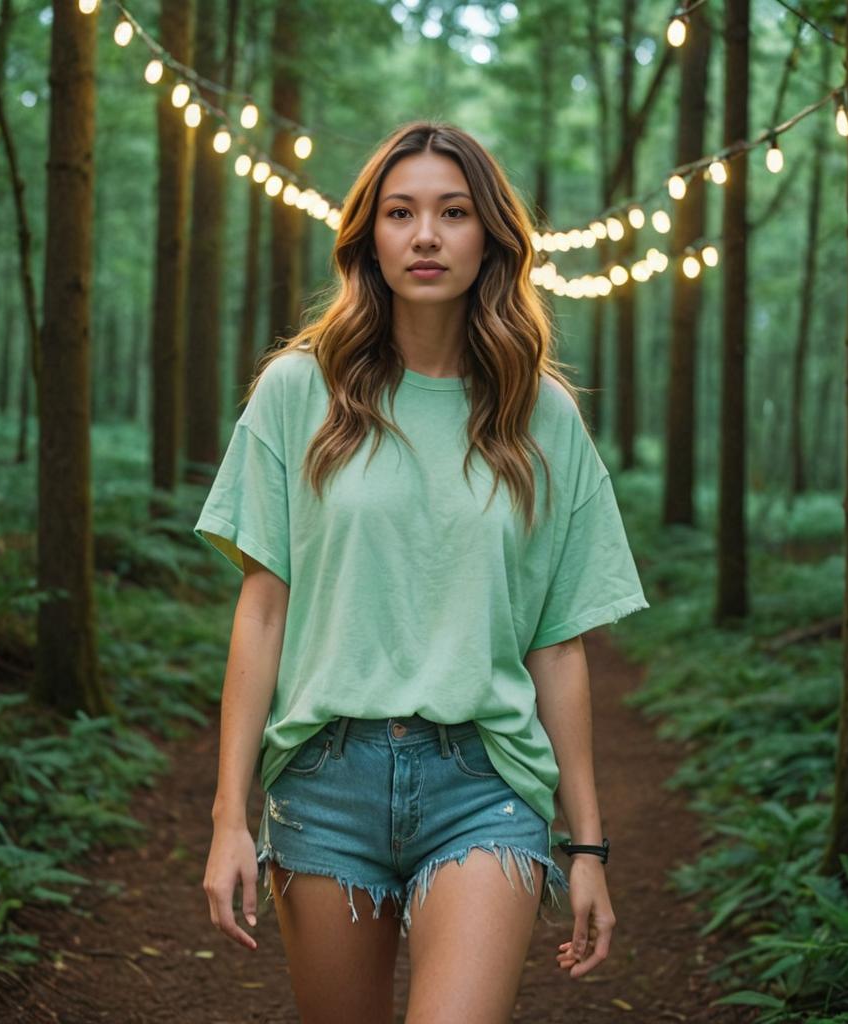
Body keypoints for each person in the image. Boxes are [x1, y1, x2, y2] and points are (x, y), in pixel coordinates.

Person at [196, 120, 650, 1023]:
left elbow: (559, 646)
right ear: (370, 236)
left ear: (491, 236)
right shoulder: (297, 391)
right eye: (401, 213)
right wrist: (227, 819)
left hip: (483, 782)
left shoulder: (543, 415)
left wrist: (588, 849)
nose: (427, 235)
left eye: (454, 212)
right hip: (324, 781)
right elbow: (264, 610)